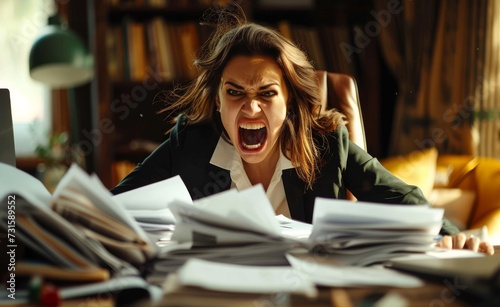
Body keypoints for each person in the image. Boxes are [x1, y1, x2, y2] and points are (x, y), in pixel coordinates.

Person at [110, 5, 493, 255]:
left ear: (289, 101)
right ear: (217, 101)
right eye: (235, 93)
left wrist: (452, 235)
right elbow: (113, 207)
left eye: (267, 93)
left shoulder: (325, 143)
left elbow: (402, 198)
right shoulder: (190, 143)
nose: (251, 106)